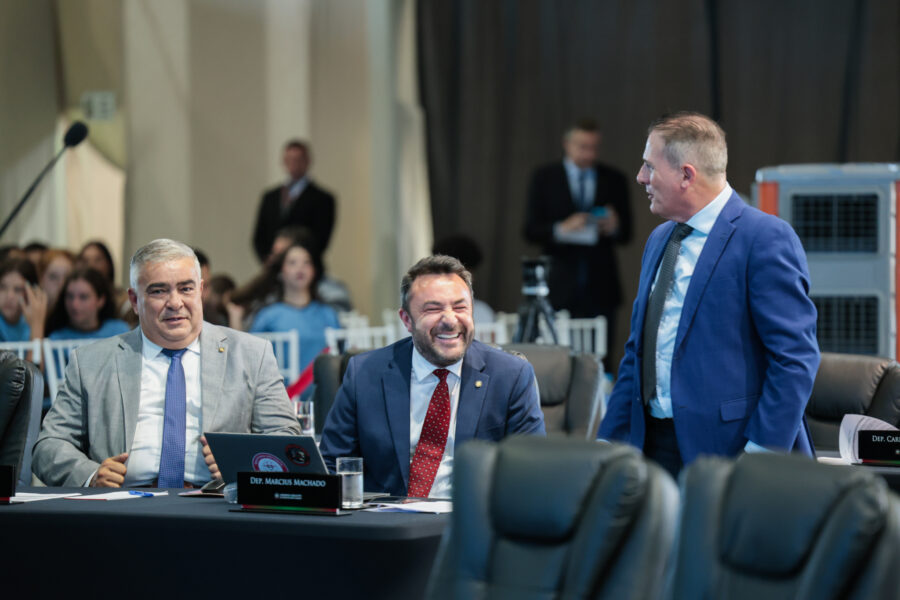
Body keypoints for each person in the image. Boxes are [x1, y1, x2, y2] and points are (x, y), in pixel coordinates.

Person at [597, 112, 820, 478]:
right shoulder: (659, 239)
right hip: (650, 450)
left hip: (732, 453)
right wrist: (608, 441)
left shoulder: (764, 238)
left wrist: (760, 455)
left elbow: (795, 359)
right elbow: (637, 353)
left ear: (686, 175)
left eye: (650, 166)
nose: (640, 177)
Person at [33, 238, 300, 488]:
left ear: (201, 291)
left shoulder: (251, 355)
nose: (175, 302)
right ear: (135, 301)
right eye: (159, 291)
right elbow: (48, 445)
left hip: (216, 503)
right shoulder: (91, 362)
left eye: (186, 289)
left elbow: (288, 440)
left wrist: (241, 463)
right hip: (123, 505)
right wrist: (90, 475)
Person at [319, 255, 546, 498]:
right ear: (407, 320)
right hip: (388, 516)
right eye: (433, 309)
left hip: (472, 515)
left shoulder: (511, 376)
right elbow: (331, 465)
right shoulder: (365, 373)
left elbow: (531, 470)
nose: (450, 320)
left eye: (460, 307)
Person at [524, 118, 632, 368]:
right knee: (557, 357)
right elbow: (530, 230)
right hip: (559, 282)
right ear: (567, 144)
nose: (588, 154)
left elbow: (627, 233)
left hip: (601, 284)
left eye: (594, 147)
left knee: (601, 359)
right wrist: (560, 229)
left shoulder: (614, 178)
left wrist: (614, 226)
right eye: (582, 147)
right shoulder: (545, 177)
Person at [232, 239, 340, 374]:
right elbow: (249, 355)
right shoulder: (268, 316)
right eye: (292, 262)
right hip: (281, 387)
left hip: (323, 387)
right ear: (281, 272)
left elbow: (340, 353)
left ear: (314, 271)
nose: (300, 268)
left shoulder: (327, 314)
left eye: (306, 262)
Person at [252, 139, 336, 263]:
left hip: (305, 265)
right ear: (284, 162)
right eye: (289, 159)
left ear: (307, 161)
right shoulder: (270, 197)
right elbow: (259, 235)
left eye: (298, 159)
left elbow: (321, 239)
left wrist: (296, 261)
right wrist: (270, 259)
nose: (293, 164)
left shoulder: (323, 199)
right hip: (273, 265)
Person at [45, 268, 130, 340]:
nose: (74, 304)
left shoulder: (120, 331)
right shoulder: (56, 338)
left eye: (83, 297)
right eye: (70, 296)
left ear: (101, 300)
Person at [0, 258, 46, 343]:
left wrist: (36, 324)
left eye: (18, 289)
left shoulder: (28, 323)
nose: (9, 296)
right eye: (2, 287)